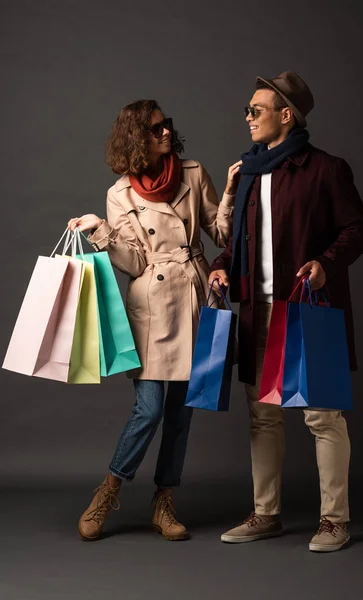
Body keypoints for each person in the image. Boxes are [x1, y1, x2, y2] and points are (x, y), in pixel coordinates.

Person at [209, 72, 363, 552]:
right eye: (247, 109)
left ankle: (334, 521)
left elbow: (356, 230)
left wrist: (324, 263)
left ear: (286, 115)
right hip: (257, 311)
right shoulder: (250, 171)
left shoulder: (326, 169)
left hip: (305, 308)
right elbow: (241, 244)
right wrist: (221, 267)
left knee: (322, 418)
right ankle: (265, 514)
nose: (248, 117)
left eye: (256, 109)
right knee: (262, 417)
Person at [68, 99, 239, 541]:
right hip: (152, 303)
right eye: (155, 129)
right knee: (150, 408)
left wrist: (232, 194)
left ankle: (164, 501)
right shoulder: (119, 192)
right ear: (136, 138)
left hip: (195, 294)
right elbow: (135, 262)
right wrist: (99, 232)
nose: (166, 133)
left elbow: (219, 234)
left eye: (166, 125)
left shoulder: (194, 172)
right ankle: (107, 491)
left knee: (182, 413)